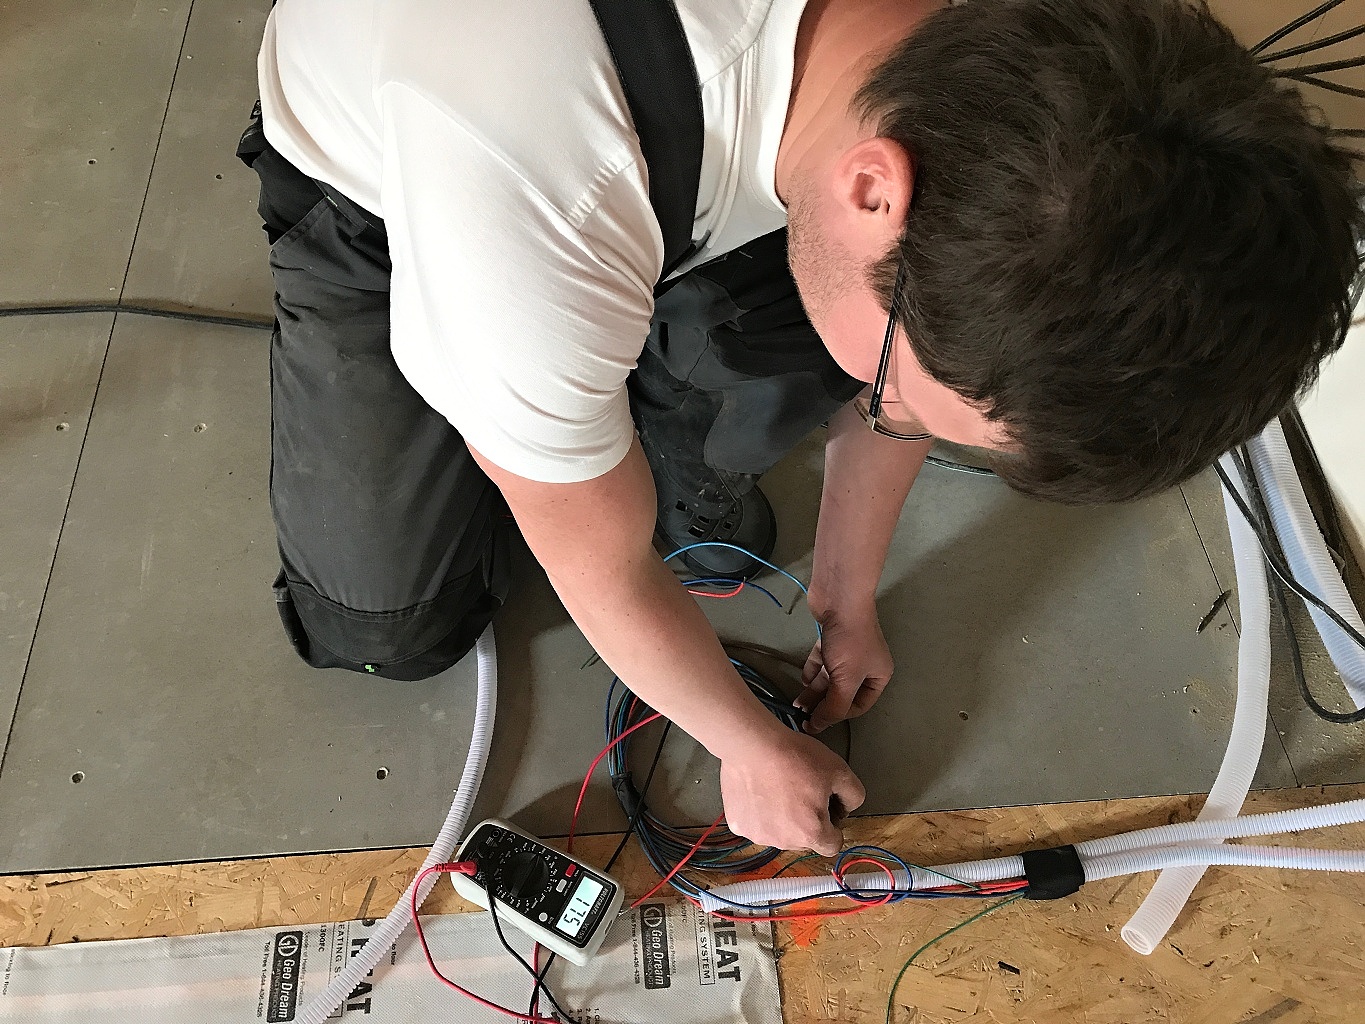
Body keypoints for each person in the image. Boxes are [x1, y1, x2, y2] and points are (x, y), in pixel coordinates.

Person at [245, 0, 1361, 857]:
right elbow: (600, 559)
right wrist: (749, 744)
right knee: (392, 621)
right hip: (382, 177)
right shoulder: (535, 192)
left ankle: (602, 373)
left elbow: (960, 312)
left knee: (727, 453)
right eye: (897, 400)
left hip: (664, 165)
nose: (891, 418)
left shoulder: (1034, 94)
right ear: (875, 186)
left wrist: (847, 592)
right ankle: (496, 379)